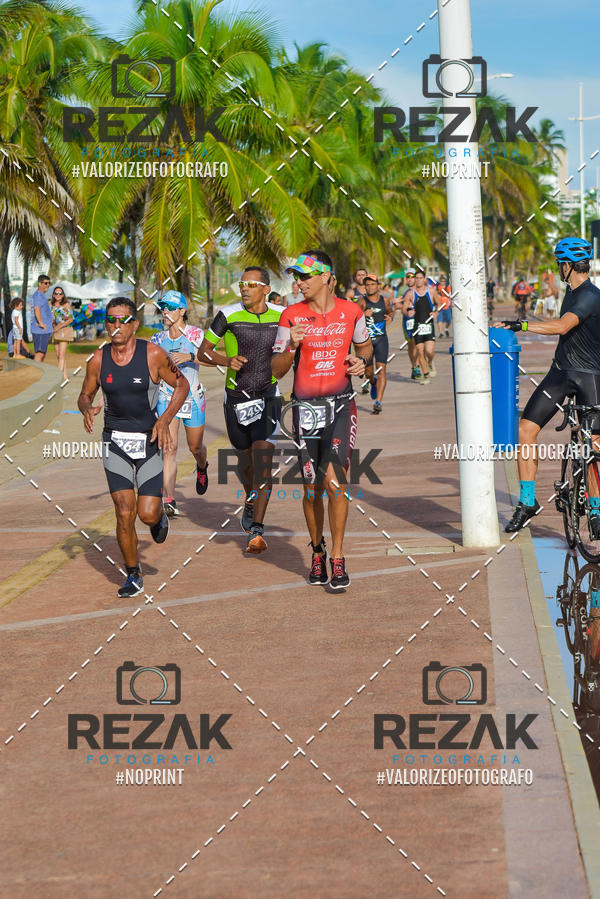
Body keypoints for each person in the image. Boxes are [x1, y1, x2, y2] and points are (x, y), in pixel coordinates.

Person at [272, 250, 372, 590]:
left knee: (334, 482)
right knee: (312, 487)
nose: (298, 282)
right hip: (305, 410)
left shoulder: (351, 311)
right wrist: (290, 347)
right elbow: (277, 370)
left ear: (326, 276)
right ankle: (317, 550)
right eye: (295, 276)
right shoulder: (290, 316)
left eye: (304, 276)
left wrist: (361, 363)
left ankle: (339, 558)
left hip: (341, 405)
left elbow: (366, 348)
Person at [77, 297, 189, 598]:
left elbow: (182, 386)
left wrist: (165, 420)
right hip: (115, 443)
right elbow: (84, 394)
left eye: (122, 320)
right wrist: (86, 407)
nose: (116, 326)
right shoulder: (98, 360)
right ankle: (133, 573)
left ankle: (158, 519)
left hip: (150, 440)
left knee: (147, 513)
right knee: (124, 512)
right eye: (110, 320)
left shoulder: (152, 354)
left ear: (134, 324)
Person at [498, 238, 600, 533]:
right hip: (559, 373)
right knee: (526, 429)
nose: (558, 269)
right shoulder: (570, 292)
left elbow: (561, 327)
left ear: (568, 266)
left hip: (590, 377)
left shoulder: (590, 296)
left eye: (560, 264)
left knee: (593, 447)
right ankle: (527, 502)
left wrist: (523, 325)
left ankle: (595, 510)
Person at [198, 266, 283, 553]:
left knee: (263, 459)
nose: (244, 288)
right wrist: (225, 360)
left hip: (269, 395)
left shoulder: (281, 316)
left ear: (265, 288)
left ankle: (257, 529)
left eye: (251, 284)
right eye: (241, 283)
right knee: (244, 461)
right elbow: (203, 352)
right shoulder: (228, 314)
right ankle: (250, 498)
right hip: (236, 398)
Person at [150, 290, 209, 518]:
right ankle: (170, 500)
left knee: (195, 447)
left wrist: (191, 358)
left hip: (193, 398)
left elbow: (212, 360)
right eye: (162, 307)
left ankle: (202, 466)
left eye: (169, 307)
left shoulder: (195, 334)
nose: (164, 312)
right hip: (167, 397)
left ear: (182, 311)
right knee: (170, 449)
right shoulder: (157, 339)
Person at [358, 273, 393, 413]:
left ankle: (378, 402)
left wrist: (390, 317)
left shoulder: (385, 301)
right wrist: (362, 316)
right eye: (367, 284)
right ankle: (372, 382)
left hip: (381, 340)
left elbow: (390, 312)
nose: (370, 287)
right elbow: (353, 320)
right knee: (369, 372)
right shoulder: (361, 302)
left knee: (382, 371)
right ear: (364, 287)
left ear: (378, 285)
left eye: (372, 284)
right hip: (366, 344)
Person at [403, 268, 439, 385]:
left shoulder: (431, 291)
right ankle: (426, 375)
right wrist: (407, 312)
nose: (418, 280)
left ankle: (430, 362)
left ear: (424, 279)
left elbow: (439, 303)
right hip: (417, 326)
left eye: (420, 278)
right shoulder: (410, 294)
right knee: (420, 351)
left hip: (428, 325)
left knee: (429, 351)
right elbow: (404, 309)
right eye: (416, 278)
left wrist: (436, 313)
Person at [50, 285, 74, 380]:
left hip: (65, 330)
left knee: (62, 354)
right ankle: (65, 376)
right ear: (53, 294)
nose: (58, 295)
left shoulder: (66, 305)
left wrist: (59, 326)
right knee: (58, 355)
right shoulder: (50, 305)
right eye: (56, 293)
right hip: (55, 331)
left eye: (60, 293)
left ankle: (58, 377)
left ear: (63, 295)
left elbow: (71, 319)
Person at [30, 274, 52, 362]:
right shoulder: (38, 295)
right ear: (39, 284)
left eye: (49, 283)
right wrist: (41, 323)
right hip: (40, 330)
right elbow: (36, 309)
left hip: (44, 331)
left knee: (42, 354)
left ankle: (37, 374)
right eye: (46, 283)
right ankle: (34, 374)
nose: (48, 285)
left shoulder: (41, 295)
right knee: (40, 353)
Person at [436, 274, 452, 338]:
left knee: (449, 320)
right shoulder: (437, 288)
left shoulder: (448, 287)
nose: (442, 282)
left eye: (444, 281)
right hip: (440, 306)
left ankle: (446, 329)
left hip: (447, 306)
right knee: (439, 319)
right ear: (439, 281)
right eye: (441, 281)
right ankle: (440, 332)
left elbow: (449, 295)